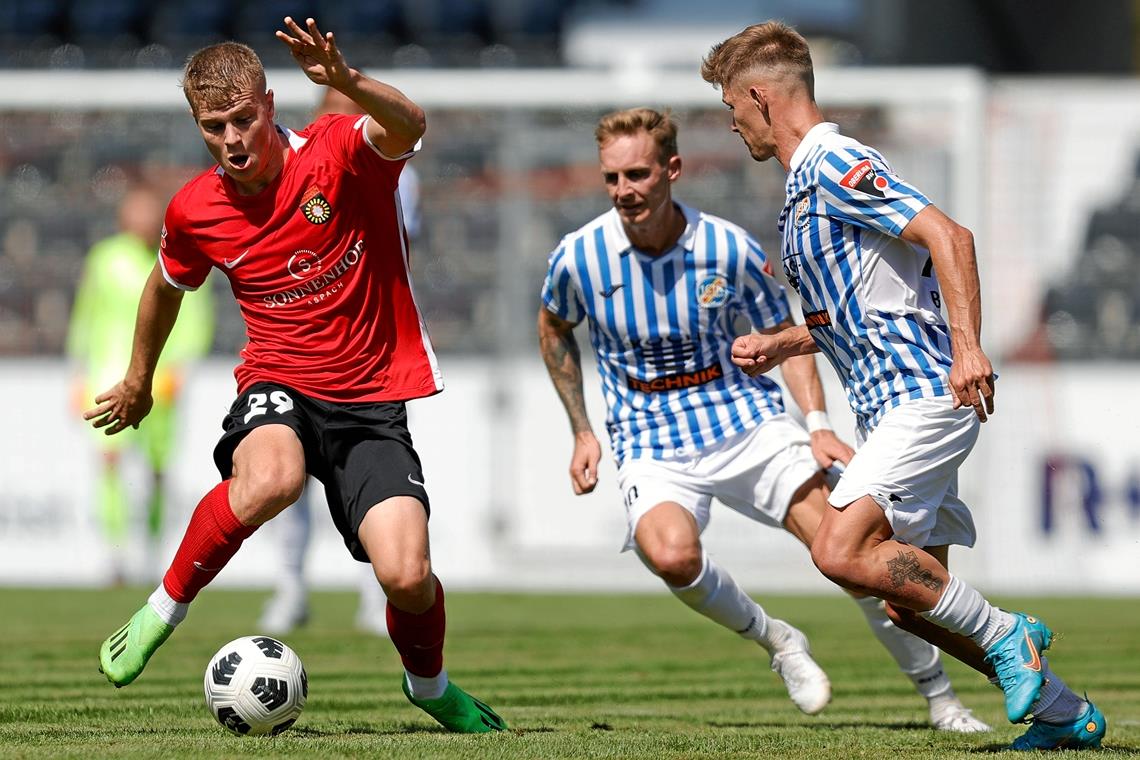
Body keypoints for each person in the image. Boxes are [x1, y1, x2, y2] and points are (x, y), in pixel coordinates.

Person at [86, 17, 505, 733]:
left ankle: (430, 686)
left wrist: (346, 83)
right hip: (277, 383)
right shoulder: (195, 208)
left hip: (370, 399)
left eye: (243, 119)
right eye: (214, 127)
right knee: (272, 480)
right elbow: (164, 285)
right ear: (198, 126)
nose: (233, 139)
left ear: (271, 104)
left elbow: (410, 125)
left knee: (405, 575)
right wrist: (137, 378)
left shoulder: (339, 151)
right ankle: (164, 606)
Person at [701, 21, 1105, 750]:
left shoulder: (833, 161)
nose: (732, 125)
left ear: (759, 96)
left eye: (732, 107)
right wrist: (784, 341)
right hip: (886, 405)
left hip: (923, 393)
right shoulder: (801, 191)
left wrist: (969, 347)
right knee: (908, 602)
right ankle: (1064, 713)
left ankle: (1012, 634)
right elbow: (857, 310)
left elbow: (950, 237)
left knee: (837, 549)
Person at [537, 107, 988, 731]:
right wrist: (581, 429)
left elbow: (779, 332)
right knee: (669, 556)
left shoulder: (727, 247)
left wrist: (817, 422)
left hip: (746, 424)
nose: (624, 191)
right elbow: (554, 325)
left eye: (637, 174)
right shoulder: (580, 256)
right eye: (611, 178)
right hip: (649, 438)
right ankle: (777, 639)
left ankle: (942, 698)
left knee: (852, 554)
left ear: (672, 169)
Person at [258, 82, 424, 638]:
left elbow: (394, 240)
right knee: (287, 481)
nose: (336, 124)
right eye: (328, 115)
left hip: (366, 358)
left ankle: (373, 594)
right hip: (295, 358)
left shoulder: (391, 166)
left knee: (371, 484)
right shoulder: (286, 163)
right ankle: (290, 588)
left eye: (347, 114)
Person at [67, 186, 214, 585]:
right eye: (139, 212)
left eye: (152, 213)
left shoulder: (174, 255)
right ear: (125, 216)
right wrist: (78, 373)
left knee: (157, 472)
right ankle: (113, 555)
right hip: (108, 378)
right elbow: (86, 317)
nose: (146, 220)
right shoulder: (105, 259)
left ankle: (153, 553)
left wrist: (183, 366)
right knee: (110, 465)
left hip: (161, 383)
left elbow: (196, 318)